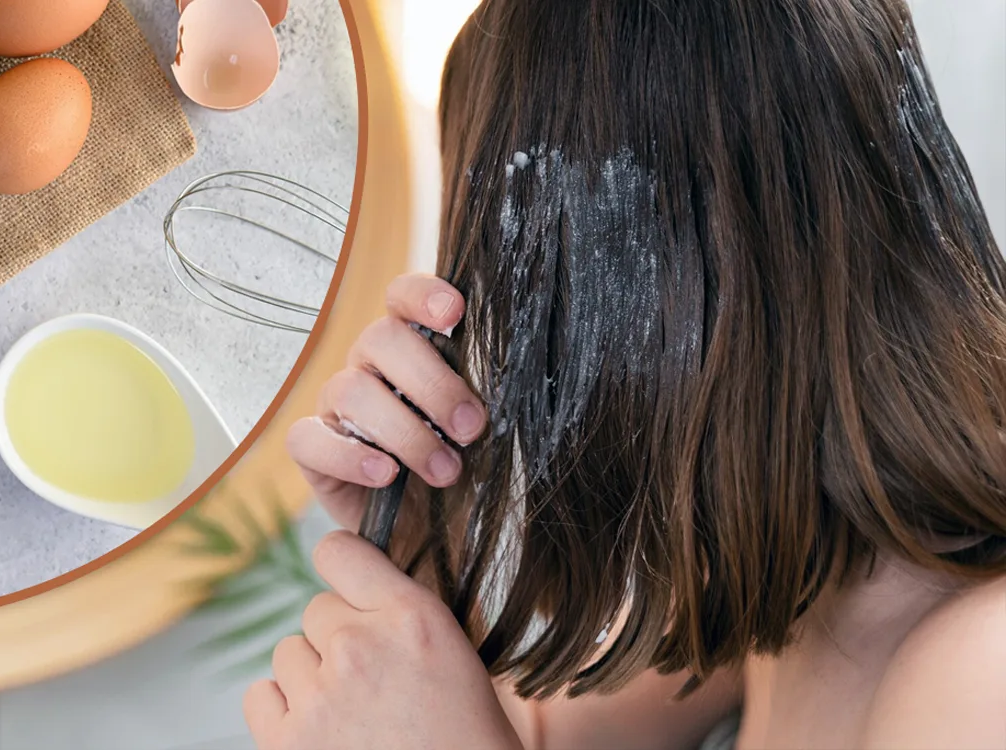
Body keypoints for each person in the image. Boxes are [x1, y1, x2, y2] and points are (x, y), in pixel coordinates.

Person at [244, 1, 1006, 747]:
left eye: (524, 293)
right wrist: (425, 556)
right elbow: (536, 734)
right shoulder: (797, 589)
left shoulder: (981, 679)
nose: (506, 355)